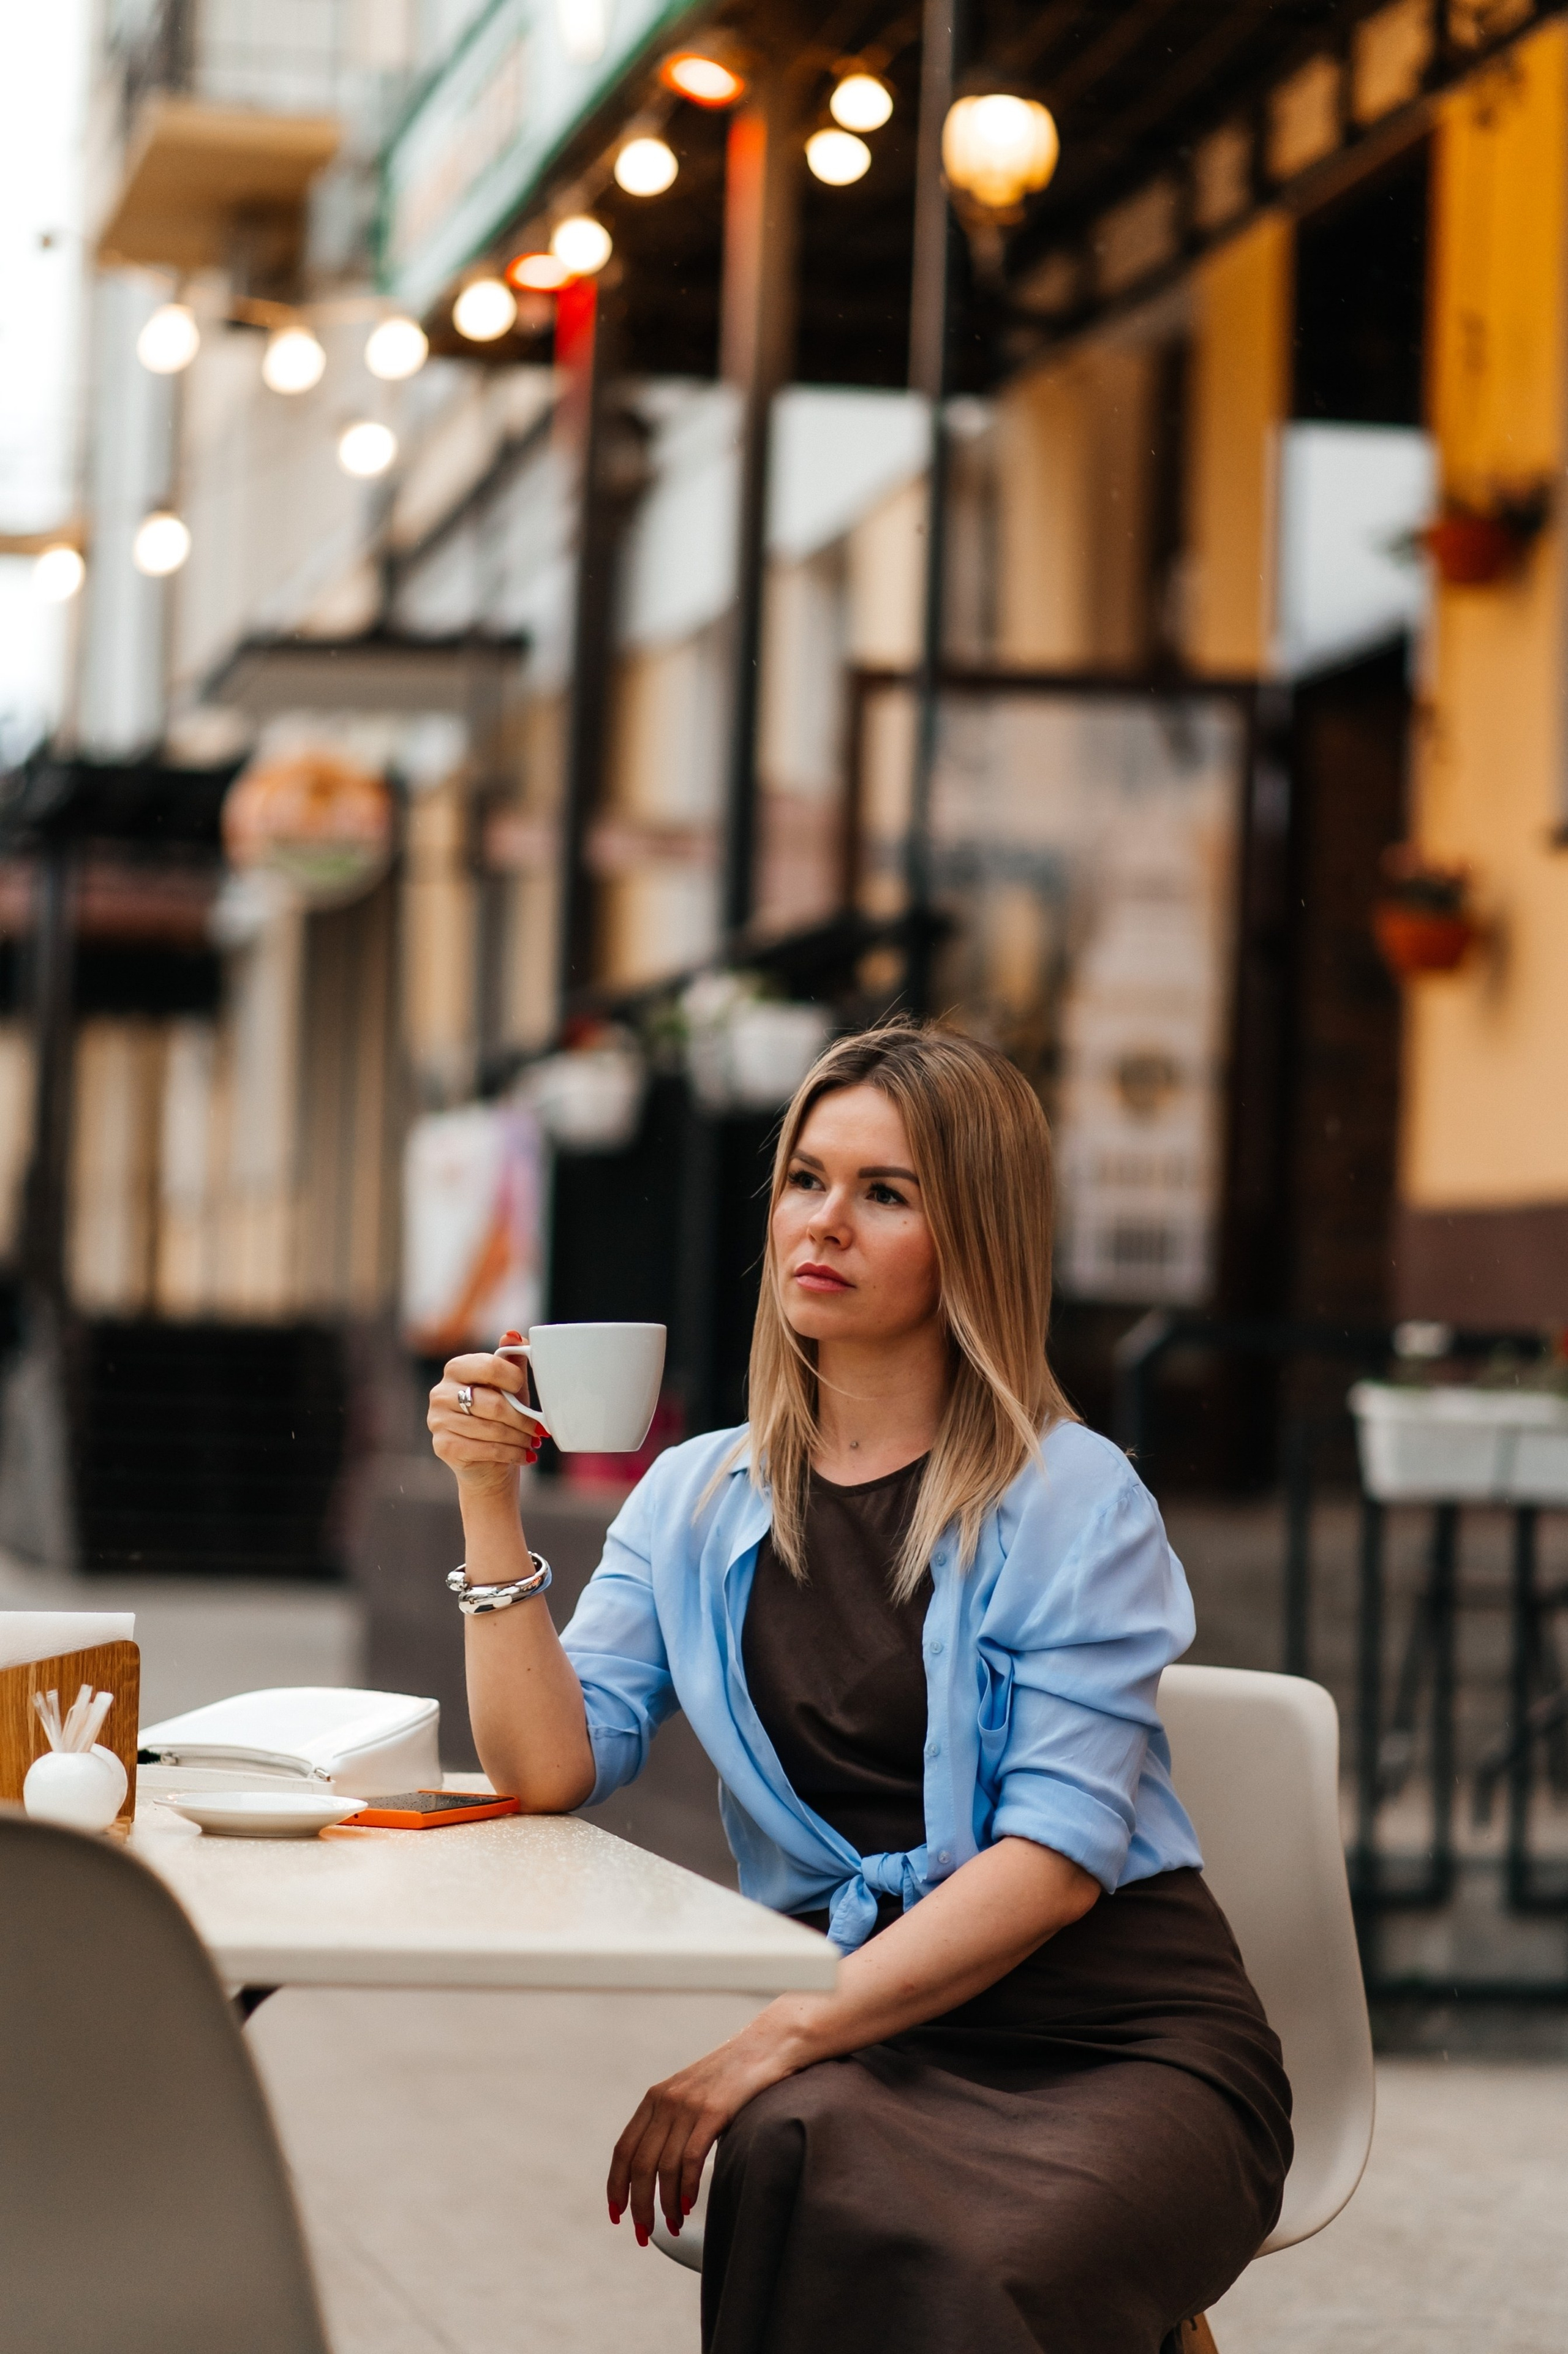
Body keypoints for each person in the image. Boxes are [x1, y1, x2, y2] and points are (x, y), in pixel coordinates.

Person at [428, 1022, 1291, 2354]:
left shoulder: (1071, 1494)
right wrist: (491, 1501)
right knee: (788, 2158)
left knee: (982, 2257)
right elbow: (551, 1764)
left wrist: (770, 2032)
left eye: (883, 1193)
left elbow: (1057, 1858)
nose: (821, 1222)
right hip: (882, 2038)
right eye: (804, 1178)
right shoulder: (692, 1494)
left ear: (973, 1238)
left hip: (1121, 2038)